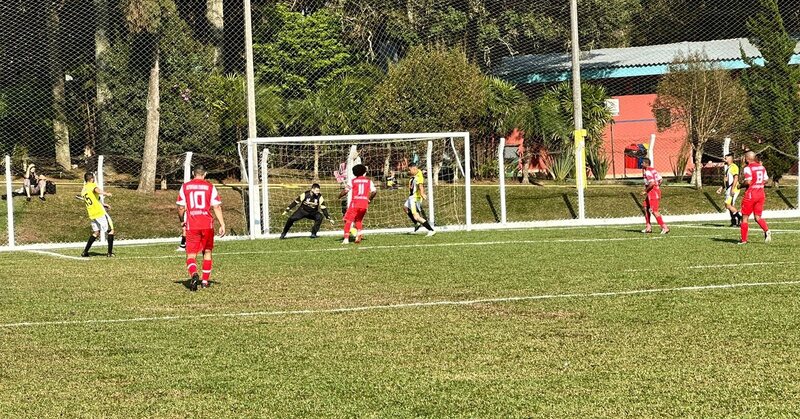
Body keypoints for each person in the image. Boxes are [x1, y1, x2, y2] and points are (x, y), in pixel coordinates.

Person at [177, 165, 226, 291]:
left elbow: (181, 207)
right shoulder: (210, 186)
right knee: (207, 252)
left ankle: (194, 274)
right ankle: (204, 281)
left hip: (192, 224)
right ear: (205, 174)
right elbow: (216, 207)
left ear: (193, 173)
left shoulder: (185, 186)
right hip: (207, 224)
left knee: (191, 255)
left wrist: (182, 220)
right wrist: (222, 224)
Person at [739, 151, 771, 245]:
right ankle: (767, 230)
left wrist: (740, 186)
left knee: (744, 218)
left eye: (744, 157)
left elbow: (748, 182)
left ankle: (744, 240)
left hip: (751, 194)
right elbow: (766, 180)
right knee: (757, 217)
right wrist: (759, 183)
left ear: (747, 158)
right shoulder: (761, 167)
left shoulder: (748, 168)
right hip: (761, 194)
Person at [80, 172, 115, 257]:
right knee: (111, 230)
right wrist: (106, 193)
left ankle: (85, 252)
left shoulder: (84, 190)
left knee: (96, 232)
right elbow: (97, 190)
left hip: (92, 213)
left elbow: (93, 200)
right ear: (92, 178)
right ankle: (109, 253)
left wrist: (103, 204)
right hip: (99, 212)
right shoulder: (92, 185)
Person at [339, 164, 376, 244]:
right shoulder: (369, 181)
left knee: (348, 220)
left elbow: (346, 191)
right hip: (364, 204)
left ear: (354, 173)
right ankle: (359, 234)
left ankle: (346, 239)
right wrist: (369, 199)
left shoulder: (353, 181)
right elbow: (374, 191)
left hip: (355, 203)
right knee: (358, 220)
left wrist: (339, 196)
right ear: (363, 172)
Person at [403, 162, 435, 236]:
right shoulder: (417, 173)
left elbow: (420, 186)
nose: (409, 171)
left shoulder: (418, 176)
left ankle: (431, 230)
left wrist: (422, 193)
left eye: (410, 170)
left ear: (414, 169)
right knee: (405, 208)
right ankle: (417, 224)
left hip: (414, 198)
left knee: (416, 216)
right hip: (411, 197)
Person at [641, 158, 669, 234]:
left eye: (642, 163)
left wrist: (645, 191)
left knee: (654, 210)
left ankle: (665, 227)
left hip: (653, 193)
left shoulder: (647, 172)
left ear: (646, 164)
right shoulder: (653, 170)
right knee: (645, 207)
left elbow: (652, 183)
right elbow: (661, 180)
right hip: (653, 191)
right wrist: (657, 187)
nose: (641, 164)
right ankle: (648, 227)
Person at [716, 153, 742, 227]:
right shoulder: (728, 167)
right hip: (729, 188)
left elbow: (736, 178)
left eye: (726, 158)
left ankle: (740, 217)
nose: (724, 159)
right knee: (730, 206)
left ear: (730, 158)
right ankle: (734, 222)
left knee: (728, 205)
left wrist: (732, 189)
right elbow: (727, 180)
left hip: (733, 188)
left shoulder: (734, 167)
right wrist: (722, 187)